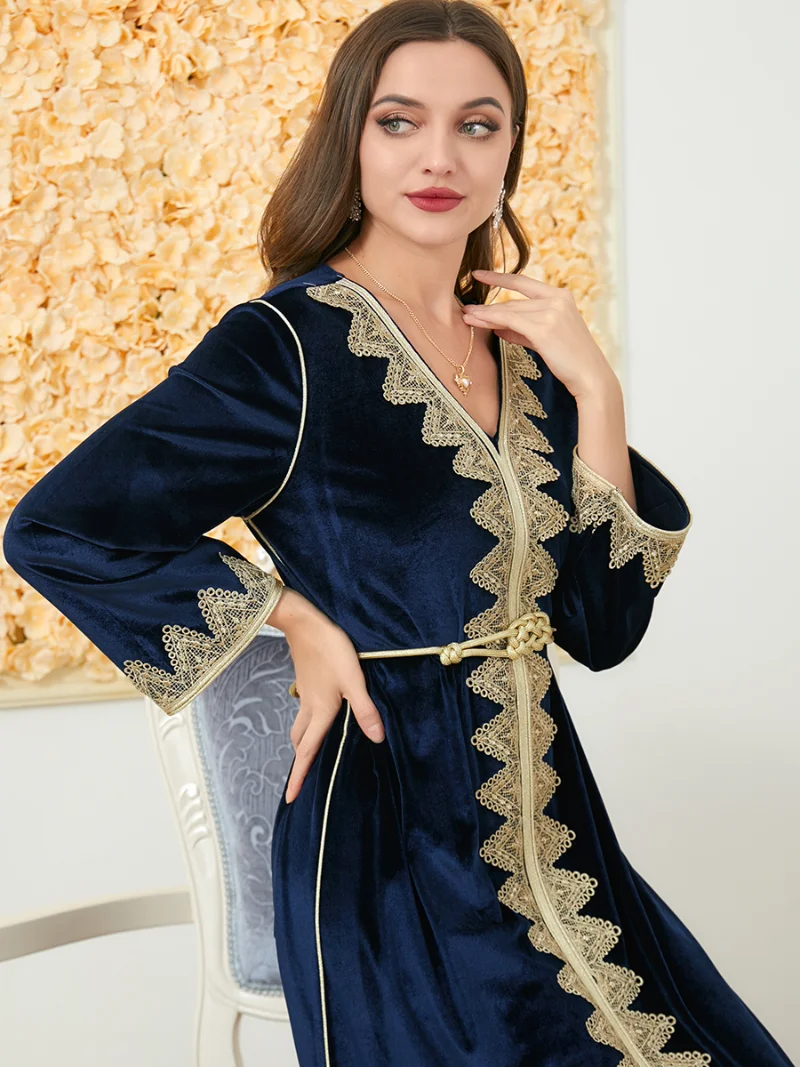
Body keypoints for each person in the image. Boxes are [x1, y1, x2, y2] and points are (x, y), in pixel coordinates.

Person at [3, 2, 794, 1065]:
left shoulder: (524, 357)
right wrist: (290, 616)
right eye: (399, 120)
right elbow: (56, 527)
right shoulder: (283, 346)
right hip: (389, 843)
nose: (439, 157)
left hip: (557, 828)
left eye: (477, 124)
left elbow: (601, 628)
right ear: (352, 137)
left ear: (511, 147)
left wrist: (596, 392)